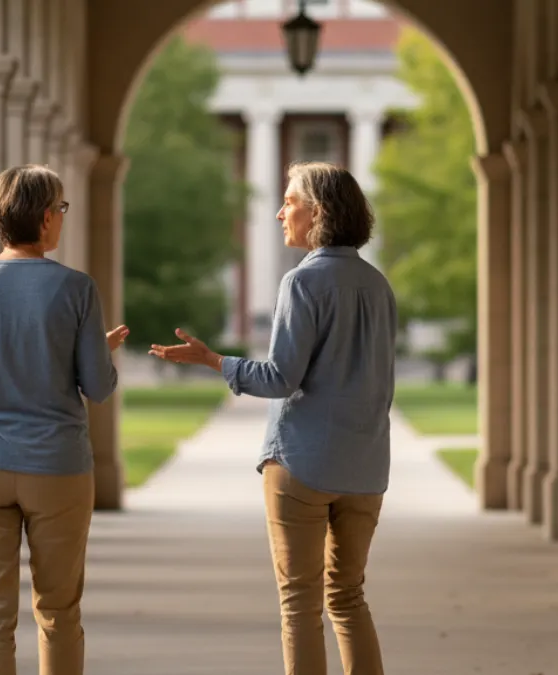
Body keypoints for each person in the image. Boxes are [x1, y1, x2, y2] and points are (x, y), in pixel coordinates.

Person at [150, 161, 397, 675]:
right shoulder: (378, 286)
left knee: (300, 605)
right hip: (367, 467)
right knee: (349, 597)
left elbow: (281, 378)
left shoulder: (302, 282)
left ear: (319, 212)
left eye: (290, 201)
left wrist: (216, 361)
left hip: (302, 462)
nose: (280, 212)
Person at [0, 164, 128, 675]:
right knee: (58, 610)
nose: (62, 218)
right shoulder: (75, 289)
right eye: (60, 209)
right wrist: (95, 357)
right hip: (55, 466)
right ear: (42, 219)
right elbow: (98, 388)